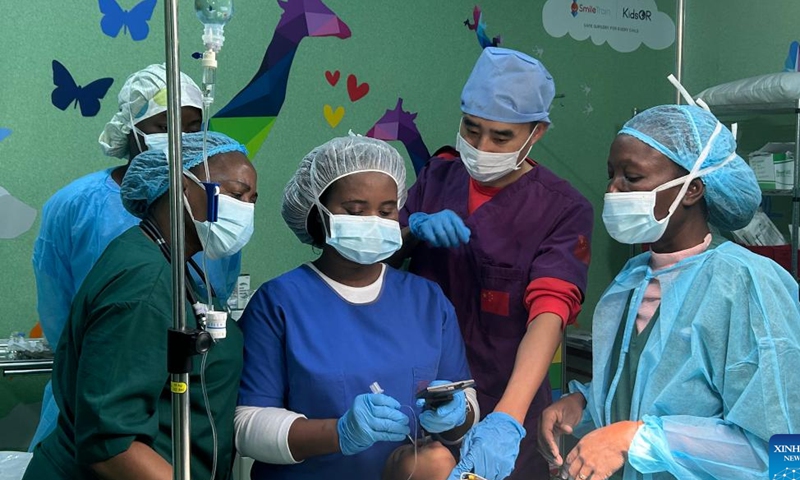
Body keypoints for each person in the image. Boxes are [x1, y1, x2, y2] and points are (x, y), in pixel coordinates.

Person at [538, 103, 800, 480]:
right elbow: (640, 391)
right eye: (611, 175)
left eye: (632, 177)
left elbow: (781, 451)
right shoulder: (632, 279)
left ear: (692, 189)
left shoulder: (747, 284)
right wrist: (582, 405)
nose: (613, 189)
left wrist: (639, 440)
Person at [395, 47, 593, 479]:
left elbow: (550, 313)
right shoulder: (437, 177)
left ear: (536, 133)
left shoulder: (562, 209)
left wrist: (506, 419)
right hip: (420, 391)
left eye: (501, 137)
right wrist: (411, 230)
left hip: (506, 394)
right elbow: (378, 259)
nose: (481, 147)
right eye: (471, 129)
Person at [235, 135, 478, 479]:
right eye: (355, 211)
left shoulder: (427, 300)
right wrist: (340, 433)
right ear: (317, 213)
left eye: (386, 211)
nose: (374, 221)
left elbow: (463, 401)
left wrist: (459, 415)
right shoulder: (279, 302)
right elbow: (247, 426)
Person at [22, 131, 257, 480]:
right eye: (236, 195)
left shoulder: (171, 264)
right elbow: (111, 445)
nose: (246, 210)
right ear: (181, 187)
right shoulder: (144, 281)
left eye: (252, 199)